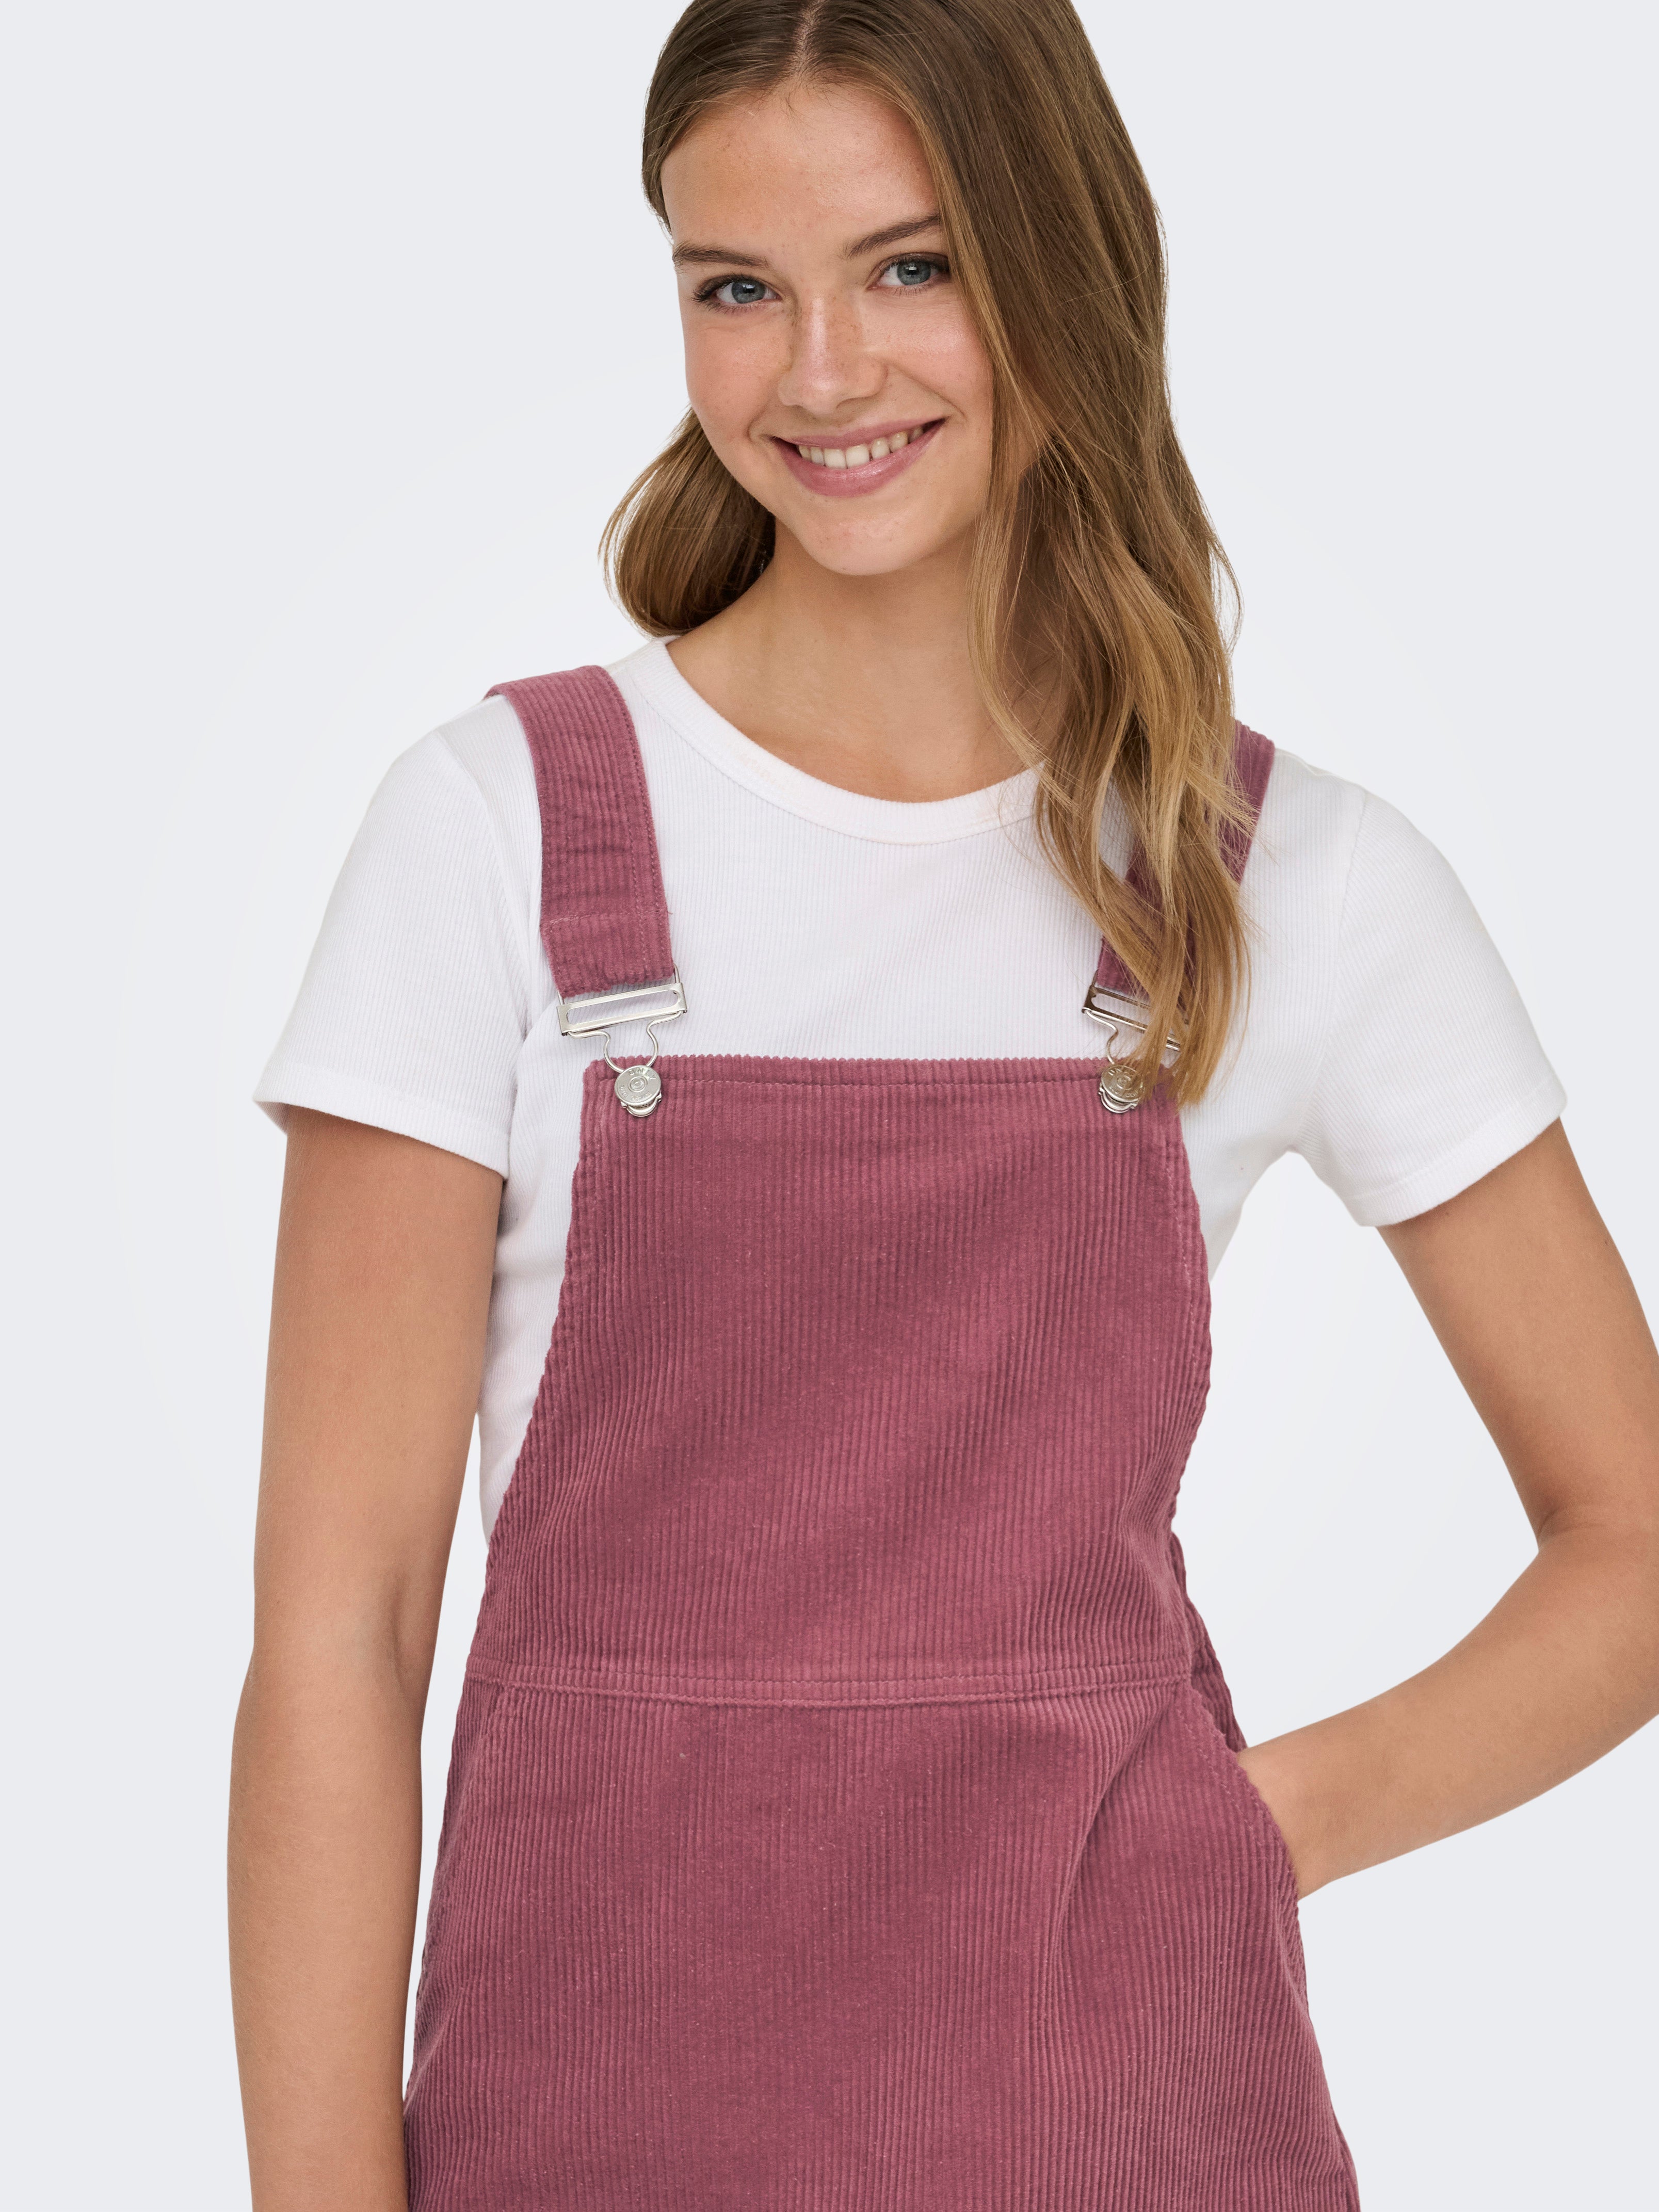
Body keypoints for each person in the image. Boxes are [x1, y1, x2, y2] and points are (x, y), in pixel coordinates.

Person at [227, 2, 1659, 2205]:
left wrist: (1250, 1828)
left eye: (911, 267)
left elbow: (1633, 1539)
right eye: (739, 287)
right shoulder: (497, 832)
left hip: (1126, 2127)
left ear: (1060, 263)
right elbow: (344, 1633)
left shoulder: (1287, 881)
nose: (823, 374)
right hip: (593, 2129)